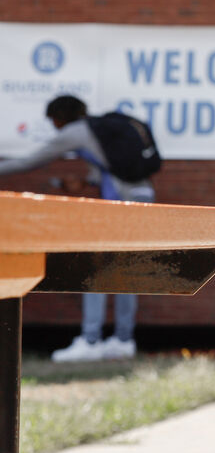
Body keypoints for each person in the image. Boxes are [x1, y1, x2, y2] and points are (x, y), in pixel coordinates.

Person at [0, 94, 153, 361]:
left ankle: (91, 340)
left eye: (53, 120)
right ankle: (123, 339)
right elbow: (108, 170)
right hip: (142, 195)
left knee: (94, 265)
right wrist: (86, 183)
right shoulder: (96, 129)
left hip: (120, 202)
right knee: (128, 270)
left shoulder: (74, 132)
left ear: (59, 117)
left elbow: (28, 162)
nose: (54, 126)